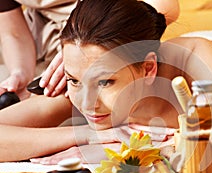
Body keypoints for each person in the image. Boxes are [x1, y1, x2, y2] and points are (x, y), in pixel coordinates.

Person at [0, 0, 212, 164]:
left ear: (148, 69)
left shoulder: (195, 56)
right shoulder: (85, 77)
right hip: (169, 51)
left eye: (105, 83)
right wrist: (89, 136)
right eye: (73, 80)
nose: (87, 103)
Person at [0, 0, 180, 100]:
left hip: (109, 40)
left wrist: (83, 48)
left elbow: (162, 5)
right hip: (46, 49)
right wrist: (20, 72)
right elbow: (13, 33)